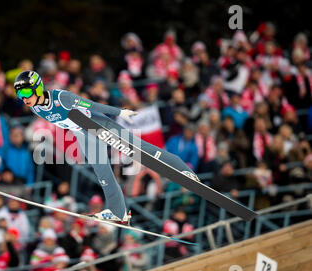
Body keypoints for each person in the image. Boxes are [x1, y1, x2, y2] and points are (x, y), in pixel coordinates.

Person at [13, 70, 199, 224]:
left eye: (27, 93)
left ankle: (182, 169)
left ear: (38, 88)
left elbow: (92, 105)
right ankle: (119, 211)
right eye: (20, 96)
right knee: (103, 174)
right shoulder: (36, 108)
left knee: (140, 150)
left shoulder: (62, 97)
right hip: (82, 133)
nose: (24, 99)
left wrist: (120, 112)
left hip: (96, 123)